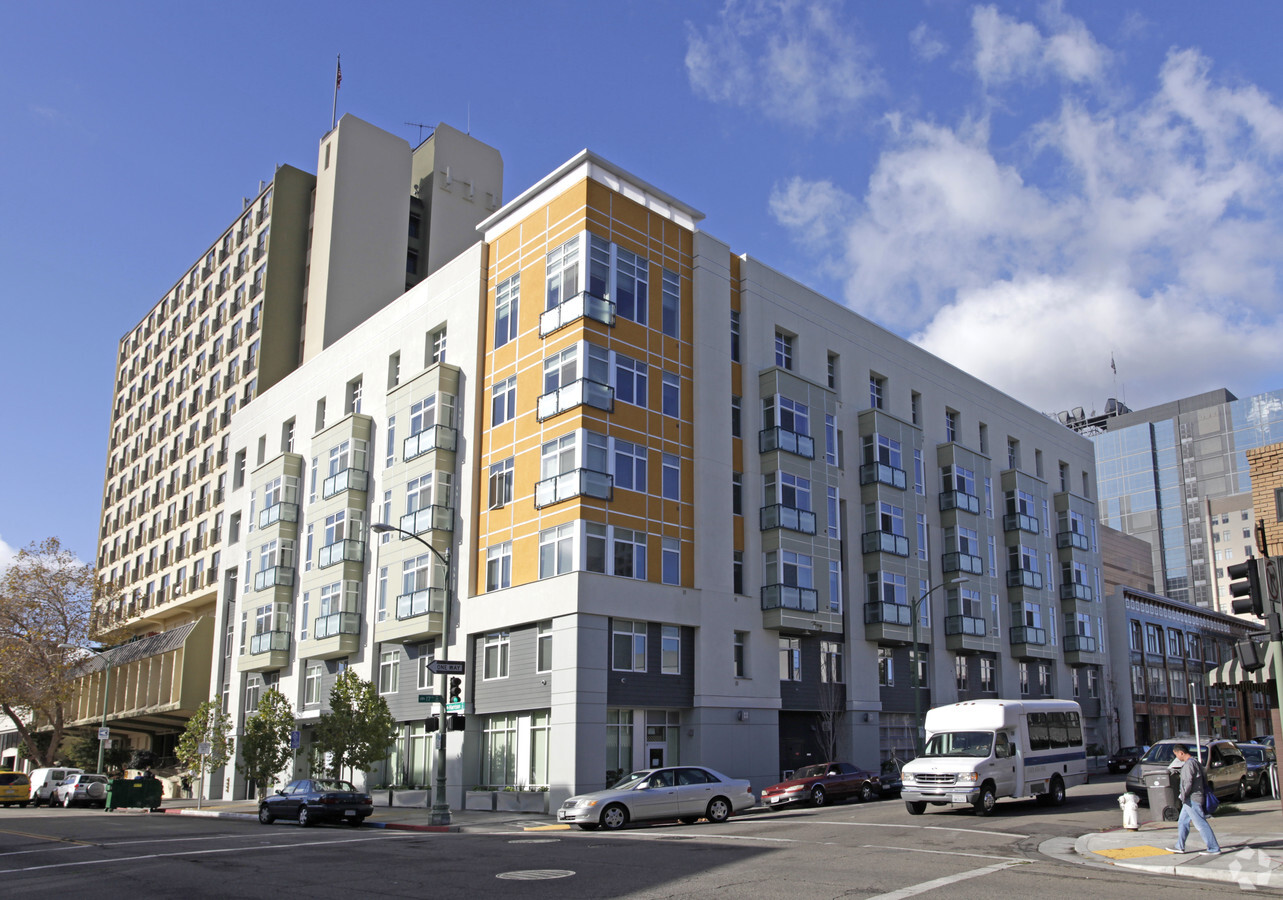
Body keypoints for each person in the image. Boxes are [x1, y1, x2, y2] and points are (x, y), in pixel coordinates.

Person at [1168, 744, 1222, 855]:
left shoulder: (1188, 765)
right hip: (1192, 798)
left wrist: (1183, 796)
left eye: (1176, 754)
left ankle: (1213, 848)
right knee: (1182, 822)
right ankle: (1179, 846)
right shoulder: (1196, 762)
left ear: (1181, 753)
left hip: (1192, 799)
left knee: (1200, 823)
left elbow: (1188, 783)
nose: (1177, 758)